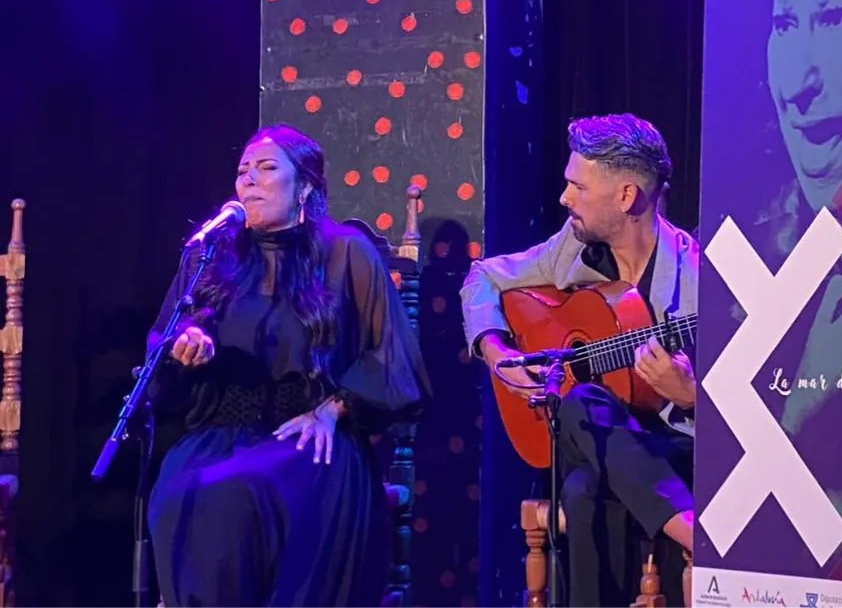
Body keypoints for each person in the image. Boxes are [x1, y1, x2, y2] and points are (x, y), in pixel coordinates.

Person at [145, 124, 429, 607]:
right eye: (243, 171)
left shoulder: (346, 253)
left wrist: (333, 410)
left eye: (266, 168)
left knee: (239, 492)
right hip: (219, 434)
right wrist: (186, 346)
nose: (249, 179)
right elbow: (163, 344)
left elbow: (392, 357)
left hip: (310, 434)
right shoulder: (210, 257)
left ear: (304, 187)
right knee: (181, 493)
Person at [460, 113, 698, 607]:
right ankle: (688, 530)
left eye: (578, 187)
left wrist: (692, 397)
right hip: (605, 445)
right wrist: (498, 351)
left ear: (626, 196)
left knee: (582, 476)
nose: (564, 198)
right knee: (583, 431)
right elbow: (483, 275)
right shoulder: (571, 248)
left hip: (677, 448)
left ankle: (693, 531)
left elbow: (757, 403)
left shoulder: (701, 279)